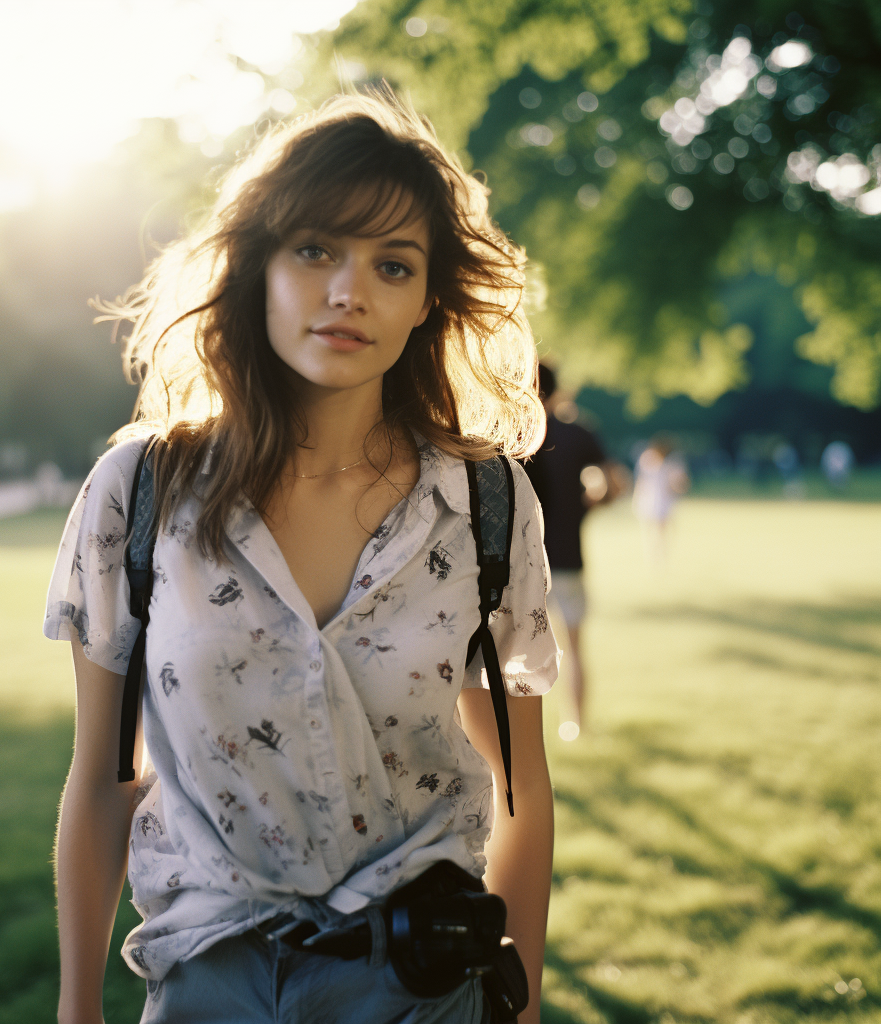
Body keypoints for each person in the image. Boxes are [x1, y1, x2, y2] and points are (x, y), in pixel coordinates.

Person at [45, 89, 560, 1024]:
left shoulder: (485, 504)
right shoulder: (140, 492)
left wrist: (519, 1010)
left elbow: (527, 788)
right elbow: (100, 780)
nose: (348, 292)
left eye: (392, 264)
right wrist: (78, 1008)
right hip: (206, 983)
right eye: (316, 249)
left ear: (426, 303)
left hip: (421, 989)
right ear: (259, 268)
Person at [520, 365, 622, 739]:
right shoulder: (577, 432)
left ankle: (529, 735)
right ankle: (575, 723)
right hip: (567, 557)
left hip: (521, 566)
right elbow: (614, 481)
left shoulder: (511, 434)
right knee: (574, 647)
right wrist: (586, 505)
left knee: (520, 655)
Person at [632, 435, 690, 562]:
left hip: (663, 500)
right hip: (649, 499)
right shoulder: (647, 459)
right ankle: (652, 554)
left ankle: (661, 554)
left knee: (662, 529)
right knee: (649, 528)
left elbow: (680, 483)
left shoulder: (672, 463)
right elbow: (641, 480)